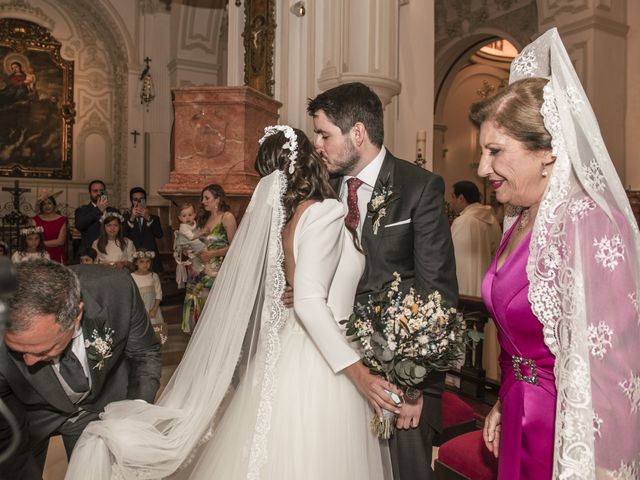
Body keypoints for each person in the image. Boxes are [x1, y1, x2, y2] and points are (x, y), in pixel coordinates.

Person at [65, 126, 398, 479]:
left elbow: (302, 289)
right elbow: (311, 303)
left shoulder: (290, 220)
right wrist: (359, 373)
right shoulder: (325, 211)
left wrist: (301, 293)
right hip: (324, 360)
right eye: (316, 142)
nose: (321, 147)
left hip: (295, 351)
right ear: (308, 163)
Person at [474, 28, 640, 479]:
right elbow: (522, 339)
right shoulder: (521, 218)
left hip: (567, 429)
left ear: (547, 152)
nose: (482, 168)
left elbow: (613, 365)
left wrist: (602, 467)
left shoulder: (589, 221)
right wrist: (503, 400)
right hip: (519, 411)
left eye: (495, 151)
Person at [308, 82, 458, 480]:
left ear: (357, 132)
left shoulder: (419, 188)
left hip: (399, 375)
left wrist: (417, 390)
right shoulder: (324, 191)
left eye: (324, 134)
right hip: (337, 365)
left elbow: (437, 296)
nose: (317, 145)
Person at [0, 260, 161, 479]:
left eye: (41, 351)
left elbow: (145, 354)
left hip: (101, 403)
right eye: (19, 351)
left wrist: (136, 412)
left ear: (76, 315)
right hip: (28, 417)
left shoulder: (115, 288)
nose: (28, 362)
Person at [450, 181, 502, 381]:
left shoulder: (464, 222)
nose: (453, 202)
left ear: (462, 198)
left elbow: (451, 256)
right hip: (485, 280)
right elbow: (496, 250)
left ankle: (460, 373)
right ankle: (488, 371)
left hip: (463, 282)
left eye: (453, 197)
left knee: (464, 323)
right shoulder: (491, 219)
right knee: (485, 327)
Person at [181, 184, 237, 333]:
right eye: (202, 198)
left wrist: (212, 254)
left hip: (216, 271)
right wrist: (189, 250)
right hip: (198, 270)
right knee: (197, 304)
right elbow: (197, 242)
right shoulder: (203, 219)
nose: (203, 201)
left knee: (213, 308)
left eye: (207, 198)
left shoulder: (227, 217)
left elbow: (235, 247)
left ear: (217, 199)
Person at [122, 187, 164, 272]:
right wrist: (132, 218)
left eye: (141, 199)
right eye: (135, 200)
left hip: (151, 260)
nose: (138, 202)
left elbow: (159, 235)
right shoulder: (125, 218)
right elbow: (122, 235)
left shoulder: (154, 218)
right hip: (132, 259)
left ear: (145, 201)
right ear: (132, 202)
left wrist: (148, 218)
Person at [131, 248, 166, 344]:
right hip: (139, 309)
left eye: (147, 261)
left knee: (154, 331)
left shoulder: (153, 276)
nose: (145, 264)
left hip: (152, 309)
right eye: (141, 262)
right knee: (140, 331)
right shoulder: (131, 277)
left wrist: (154, 309)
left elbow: (159, 293)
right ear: (136, 263)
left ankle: (154, 348)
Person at [74, 180, 117, 252]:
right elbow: (79, 225)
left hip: (111, 250)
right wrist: (98, 210)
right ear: (90, 193)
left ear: (105, 192)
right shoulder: (82, 210)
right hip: (89, 251)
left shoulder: (114, 211)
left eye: (101, 191)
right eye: (95, 191)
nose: (98, 193)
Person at [173, 201, 207, 283]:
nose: (187, 218)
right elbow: (192, 237)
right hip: (186, 243)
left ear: (194, 215)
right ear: (180, 218)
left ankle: (202, 267)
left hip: (192, 245)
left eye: (190, 215)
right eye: (184, 216)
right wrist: (202, 232)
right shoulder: (183, 227)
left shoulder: (195, 223)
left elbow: (196, 232)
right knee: (200, 247)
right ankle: (198, 271)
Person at [32, 189, 68, 263]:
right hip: (39, 255)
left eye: (49, 203)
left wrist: (40, 243)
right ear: (41, 207)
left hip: (56, 255)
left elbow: (60, 241)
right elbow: (33, 239)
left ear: (54, 205)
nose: (47, 206)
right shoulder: (35, 220)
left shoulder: (62, 220)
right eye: (44, 204)